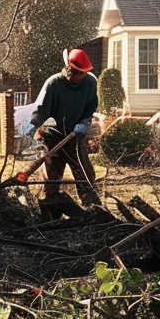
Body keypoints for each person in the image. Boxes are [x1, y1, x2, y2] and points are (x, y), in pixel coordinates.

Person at [28, 47, 101, 208]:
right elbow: (41, 111)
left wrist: (85, 122)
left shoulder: (90, 83)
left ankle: (94, 210)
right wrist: (35, 129)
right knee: (52, 179)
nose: (82, 76)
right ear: (70, 70)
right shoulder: (54, 84)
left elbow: (90, 108)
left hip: (75, 137)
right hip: (54, 138)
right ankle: (50, 212)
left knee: (84, 176)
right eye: (79, 73)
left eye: (84, 73)